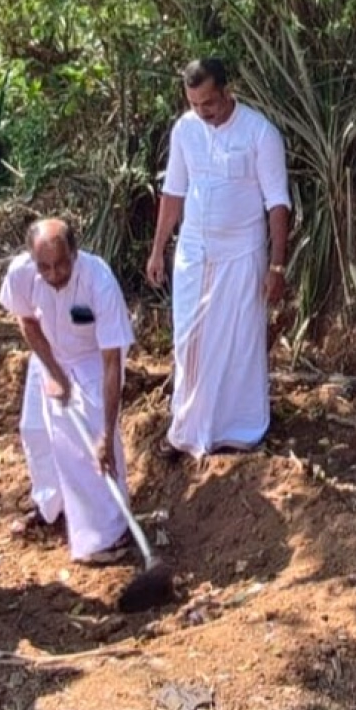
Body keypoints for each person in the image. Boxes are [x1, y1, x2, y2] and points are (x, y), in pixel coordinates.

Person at [145, 58, 292, 459]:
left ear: (228, 91)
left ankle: (238, 433)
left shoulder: (260, 132)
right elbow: (174, 192)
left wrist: (277, 266)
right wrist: (158, 249)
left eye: (208, 102)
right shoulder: (184, 129)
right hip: (193, 252)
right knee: (189, 342)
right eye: (194, 103)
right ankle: (186, 431)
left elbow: (278, 202)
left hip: (243, 254)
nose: (202, 111)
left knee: (239, 343)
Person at [0, 218, 138, 563]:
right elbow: (26, 320)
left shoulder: (99, 281)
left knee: (90, 449)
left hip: (93, 360)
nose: (54, 274)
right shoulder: (21, 273)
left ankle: (109, 534)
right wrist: (54, 371)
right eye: (44, 267)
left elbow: (112, 361)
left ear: (75, 253)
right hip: (48, 353)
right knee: (35, 431)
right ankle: (52, 508)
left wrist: (106, 431)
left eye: (61, 264)